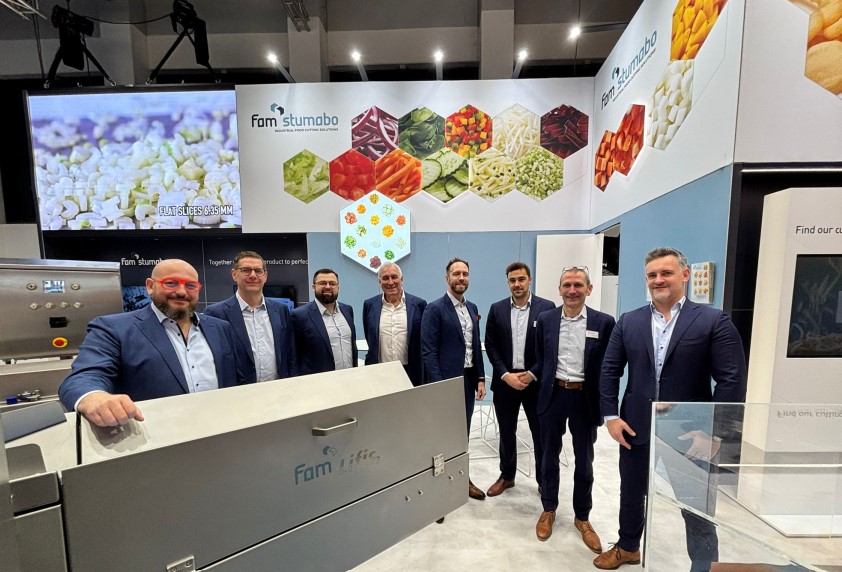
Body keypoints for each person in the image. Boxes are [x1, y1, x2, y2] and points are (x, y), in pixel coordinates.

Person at [595, 247, 746, 571]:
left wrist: (714, 432)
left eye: (666, 273)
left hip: (692, 432)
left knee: (697, 508)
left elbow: (731, 380)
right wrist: (611, 418)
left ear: (685, 275)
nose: (658, 280)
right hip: (635, 427)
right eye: (652, 275)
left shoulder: (712, 321)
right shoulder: (629, 321)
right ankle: (628, 547)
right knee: (631, 494)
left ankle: (703, 566)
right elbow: (609, 371)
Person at [59, 258, 253, 428]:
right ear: (151, 286)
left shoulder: (220, 328)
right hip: (154, 440)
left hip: (220, 431)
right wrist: (94, 397)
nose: (181, 291)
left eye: (190, 285)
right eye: (171, 283)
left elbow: (238, 379)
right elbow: (83, 376)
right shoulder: (114, 329)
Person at [532, 266, 615, 552]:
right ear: (559, 289)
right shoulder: (546, 319)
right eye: (567, 284)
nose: (572, 290)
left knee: (585, 460)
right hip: (553, 396)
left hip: (584, 399)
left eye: (578, 284)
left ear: (589, 289)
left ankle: (583, 517)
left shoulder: (604, 323)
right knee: (548, 457)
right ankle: (549, 509)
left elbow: (607, 366)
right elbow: (540, 358)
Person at [483, 261, 555, 498]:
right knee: (506, 432)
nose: (517, 284)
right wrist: (505, 375)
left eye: (521, 279)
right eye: (512, 280)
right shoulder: (497, 309)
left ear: (529, 280)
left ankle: (543, 480)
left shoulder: (547, 308)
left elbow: (549, 347)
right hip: (506, 382)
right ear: (508, 283)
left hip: (535, 382)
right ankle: (507, 476)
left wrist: (532, 373)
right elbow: (491, 345)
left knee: (539, 434)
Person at [421, 257, 487, 501]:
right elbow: (428, 351)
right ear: (447, 278)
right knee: (441, 434)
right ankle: (438, 489)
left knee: (463, 432)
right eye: (456, 274)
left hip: (467, 381)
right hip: (445, 382)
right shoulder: (435, 308)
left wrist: (480, 377)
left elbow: (474, 346)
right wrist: (441, 386)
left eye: (465, 274)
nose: (461, 278)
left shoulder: (473, 309)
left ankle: (462, 479)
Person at [204, 251, 298, 382]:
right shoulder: (216, 314)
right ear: (234, 274)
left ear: (265, 276)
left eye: (258, 271)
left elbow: (290, 354)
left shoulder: (281, 310)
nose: (253, 275)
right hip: (240, 395)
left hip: (279, 391)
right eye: (246, 270)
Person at [362, 262, 427, 386]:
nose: (390, 282)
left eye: (394, 277)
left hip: (411, 371)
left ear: (401, 279)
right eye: (385, 278)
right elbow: (370, 337)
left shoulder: (419, 305)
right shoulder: (369, 305)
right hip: (380, 372)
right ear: (379, 282)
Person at [291, 268, 358, 375]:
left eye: (332, 283)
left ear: (338, 287)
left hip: (349, 379)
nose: (328, 287)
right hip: (318, 384)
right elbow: (293, 356)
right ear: (314, 287)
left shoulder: (347, 310)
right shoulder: (299, 315)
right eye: (322, 283)